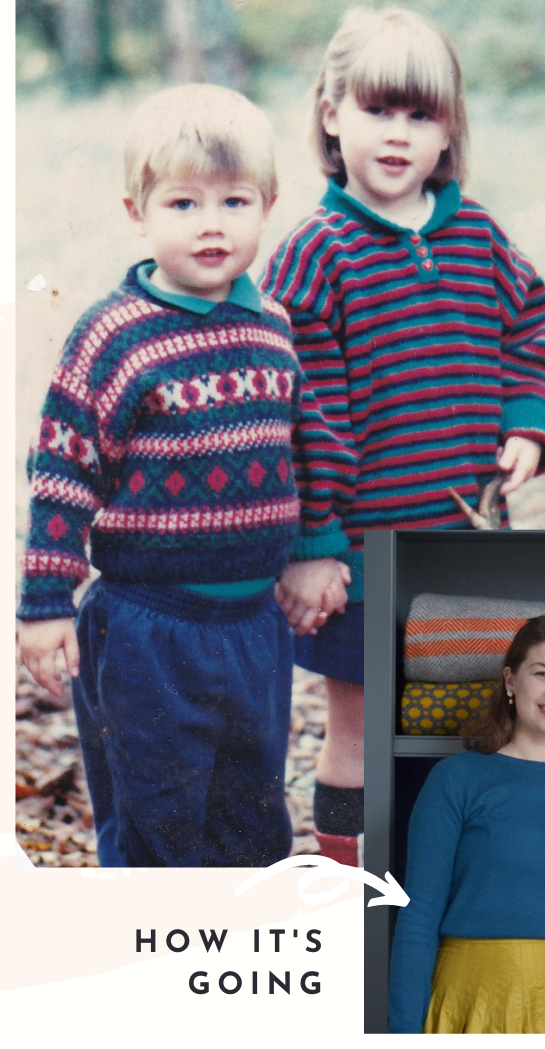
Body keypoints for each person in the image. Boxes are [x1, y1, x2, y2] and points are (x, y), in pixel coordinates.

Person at [17, 83, 356, 868]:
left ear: (268, 205)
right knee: (157, 820)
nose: (212, 223)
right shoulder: (116, 335)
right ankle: (152, 940)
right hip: (148, 626)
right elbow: (63, 470)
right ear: (136, 211)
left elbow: (307, 445)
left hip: (253, 625)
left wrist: (315, 547)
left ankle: (238, 939)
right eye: (183, 203)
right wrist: (45, 602)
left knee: (251, 814)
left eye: (234, 201)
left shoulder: (271, 326)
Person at [263, 7, 545, 868]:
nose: (398, 134)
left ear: (448, 130)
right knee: (358, 727)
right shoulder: (315, 255)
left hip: (466, 544)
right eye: (377, 110)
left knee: (467, 718)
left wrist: (527, 421)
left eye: (420, 114)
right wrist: (314, 544)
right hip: (361, 554)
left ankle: (439, 876)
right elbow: (299, 417)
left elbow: (531, 331)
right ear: (331, 114)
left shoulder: (478, 237)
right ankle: (350, 888)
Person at [387, 615, 545, 1033]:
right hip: (467, 997)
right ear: (511, 680)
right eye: (542, 673)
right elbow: (418, 918)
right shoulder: (456, 779)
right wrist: (402, 1035)